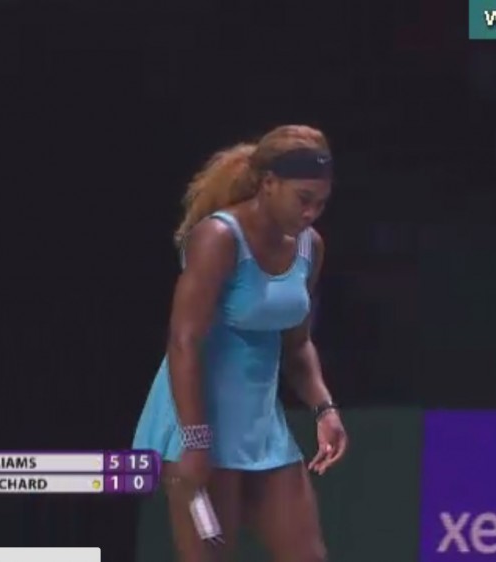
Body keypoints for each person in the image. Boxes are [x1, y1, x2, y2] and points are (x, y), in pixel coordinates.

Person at [133, 124, 348, 562]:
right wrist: (195, 441)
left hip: (263, 430)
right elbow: (184, 340)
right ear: (268, 183)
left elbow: (297, 344)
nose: (311, 213)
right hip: (196, 424)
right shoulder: (218, 238)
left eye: (321, 203)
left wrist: (324, 408)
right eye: (303, 199)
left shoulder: (311, 248)